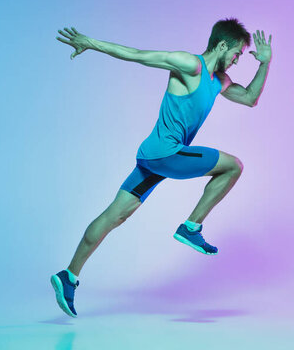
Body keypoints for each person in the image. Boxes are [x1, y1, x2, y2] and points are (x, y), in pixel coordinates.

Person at [51, 18, 273, 317]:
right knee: (233, 166)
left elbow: (249, 99)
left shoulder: (219, 81)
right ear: (222, 45)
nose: (236, 60)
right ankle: (191, 227)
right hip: (166, 154)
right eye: (236, 53)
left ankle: (68, 275)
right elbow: (138, 55)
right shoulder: (189, 64)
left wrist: (264, 64)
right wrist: (90, 43)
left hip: (152, 158)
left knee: (116, 215)